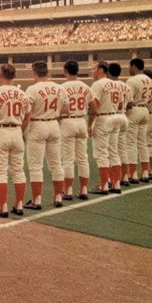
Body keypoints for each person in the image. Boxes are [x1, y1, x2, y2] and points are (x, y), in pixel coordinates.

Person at [0, 63, 31, 217]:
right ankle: (19, 204)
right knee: (18, 170)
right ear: (14, 76)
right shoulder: (22, 93)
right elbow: (28, 116)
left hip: (1, 131)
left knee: (0, 171)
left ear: (0, 75)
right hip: (16, 131)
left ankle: (3, 207)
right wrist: (20, 129)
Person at [24, 61, 65, 209]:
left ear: (34, 73)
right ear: (47, 72)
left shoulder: (32, 89)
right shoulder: (59, 88)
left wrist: (22, 129)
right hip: (54, 123)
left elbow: (27, 112)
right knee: (56, 164)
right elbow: (65, 109)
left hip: (38, 124)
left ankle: (37, 200)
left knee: (36, 165)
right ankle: (58, 197)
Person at [88, 61, 125, 195]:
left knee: (101, 154)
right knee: (113, 152)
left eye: (94, 69)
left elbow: (95, 106)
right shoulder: (116, 84)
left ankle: (103, 186)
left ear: (101, 70)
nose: (92, 71)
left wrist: (89, 124)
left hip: (103, 118)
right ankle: (116, 184)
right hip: (115, 117)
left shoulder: (97, 84)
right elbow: (121, 105)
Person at [59, 60, 93, 200]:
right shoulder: (86, 87)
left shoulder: (62, 87)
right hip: (82, 120)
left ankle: (68, 191)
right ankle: (84, 189)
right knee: (83, 158)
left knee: (68, 159)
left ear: (65, 71)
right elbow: (94, 108)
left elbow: (61, 108)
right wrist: (90, 125)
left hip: (68, 121)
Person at [126, 58, 152, 183]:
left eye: (130, 66)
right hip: (145, 109)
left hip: (135, 109)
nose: (129, 68)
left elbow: (128, 100)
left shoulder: (132, 80)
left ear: (134, 67)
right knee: (143, 142)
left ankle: (133, 174)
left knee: (131, 143)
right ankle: (146, 172)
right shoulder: (149, 80)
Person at [108, 63, 132, 188]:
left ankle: (110, 179)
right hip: (123, 116)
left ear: (108, 73)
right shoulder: (126, 86)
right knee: (122, 148)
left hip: (112, 116)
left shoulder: (108, 85)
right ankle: (126, 176)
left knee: (110, 150)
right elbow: (129, 106)